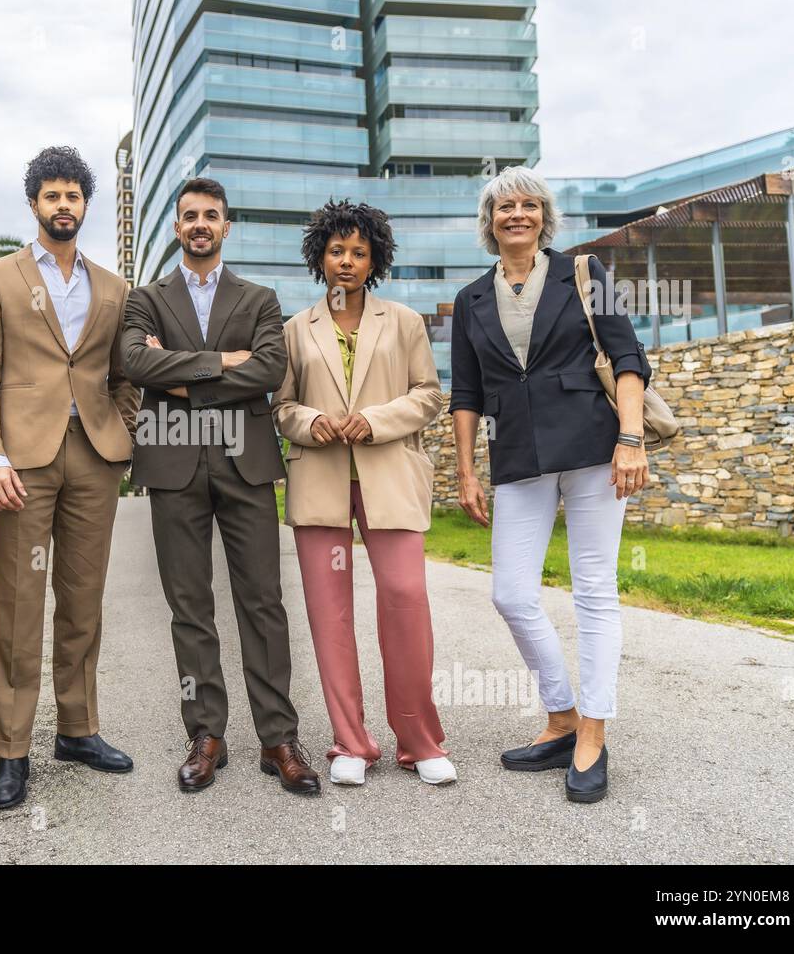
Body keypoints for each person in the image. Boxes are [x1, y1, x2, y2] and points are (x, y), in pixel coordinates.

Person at [449, 165, 652, 803]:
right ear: (490, 222)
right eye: (504, 205)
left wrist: (631, 438)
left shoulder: (587, 276)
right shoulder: (470, 299)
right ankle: (560, 713)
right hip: (516, 454)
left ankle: (592, 729)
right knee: (511, 593)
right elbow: (467, 392)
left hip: (595, 447)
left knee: (594, 589)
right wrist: (465, 469)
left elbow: (628, 359)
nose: (517, 214)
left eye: (529, 204)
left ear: (544, 216)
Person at [122, 177, 320, 796]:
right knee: (190, 607)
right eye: (190, 216)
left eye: (211, 215)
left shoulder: (260, 298)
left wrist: (180, 376)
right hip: (172, 463)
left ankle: (278, 737)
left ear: (227, 225)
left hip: (246, 462)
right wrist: (225, 364)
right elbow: (134, 362)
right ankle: (205, 734)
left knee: (262, 601)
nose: (200, 224)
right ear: (177, 227)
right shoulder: (145, 300)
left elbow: (269, 367)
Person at [0, 146, 140, 810]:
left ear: (85, 204)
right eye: (51, 195)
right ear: (34, 203)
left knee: (83, 601)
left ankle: (77, 728)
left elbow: (125, 377)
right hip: (21, 462)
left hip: (93, 455)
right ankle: (11, 750)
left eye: (73, 196)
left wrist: (119, 432)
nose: (63, 206)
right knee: (17, 605)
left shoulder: (113, 288)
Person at [273, 199, 455, 787]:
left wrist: (373, 419)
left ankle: (420, 742)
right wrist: (309, 421)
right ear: (320, 258)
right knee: (330, 616)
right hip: (321, 480)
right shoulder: (294, 330)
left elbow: (429, 395)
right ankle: (350, 742)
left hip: (389, 478)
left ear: (374, 259)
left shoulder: (402, 322)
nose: (347, 261)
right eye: (337, 251)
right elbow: (281, 407)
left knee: (404, 598)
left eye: (359, 252)